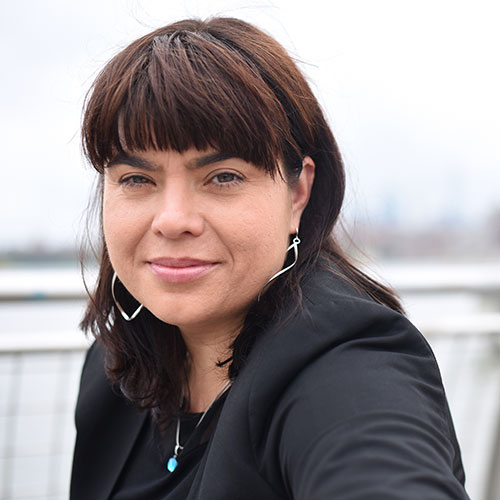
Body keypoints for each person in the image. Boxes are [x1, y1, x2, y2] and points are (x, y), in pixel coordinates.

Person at [70, 17, 470, 499]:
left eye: (223, 177)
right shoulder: (115, 366)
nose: (173, 220)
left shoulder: (344, 364)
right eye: (137, 179)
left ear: (298, 193)